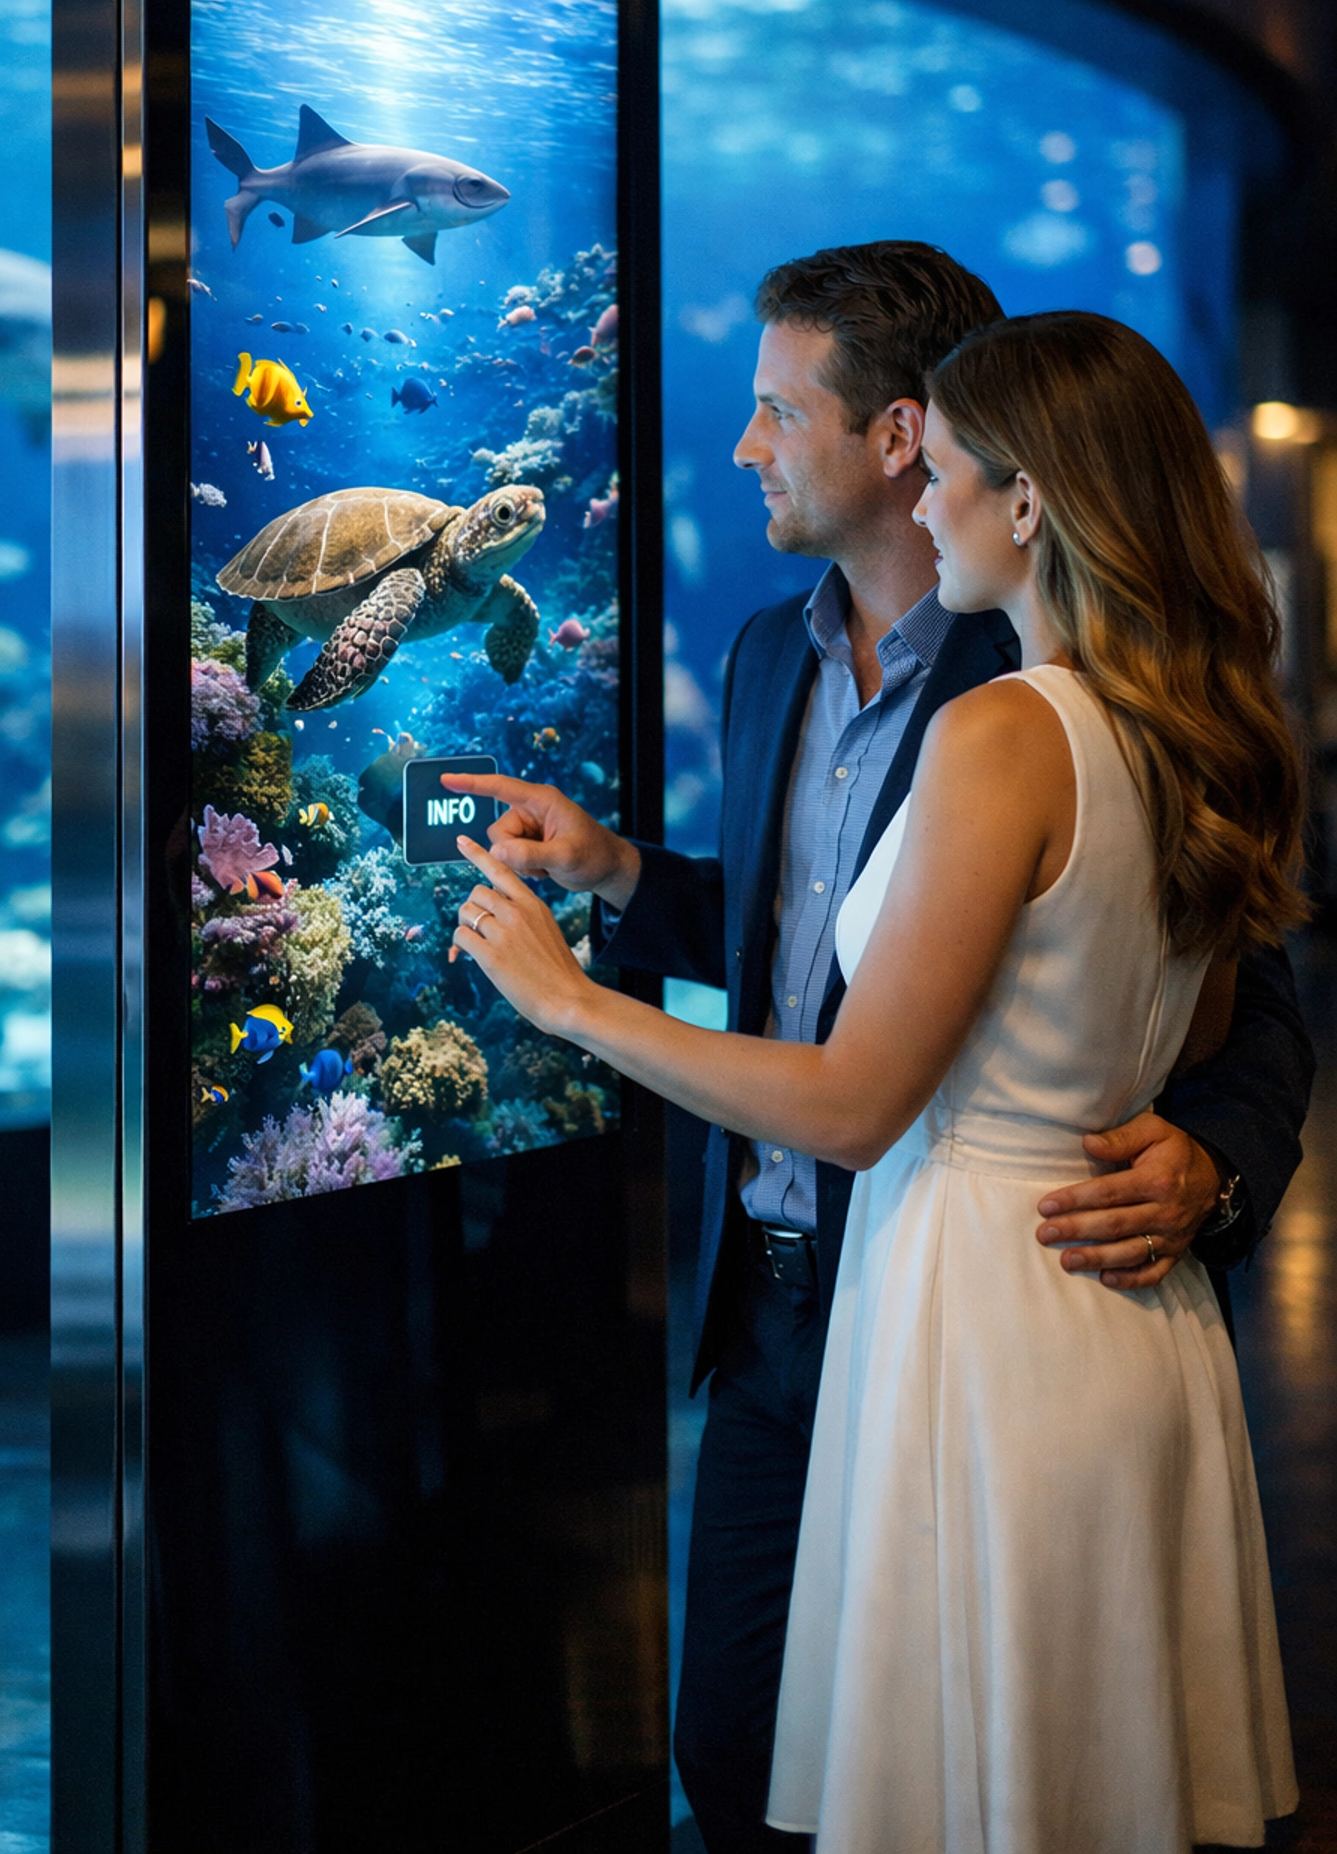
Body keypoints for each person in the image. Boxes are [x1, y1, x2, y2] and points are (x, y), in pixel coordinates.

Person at [443, 248, 1313, 1853]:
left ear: (914, 441)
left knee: (949, 1776)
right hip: (786, 1306)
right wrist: (624, 877)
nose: (747, 447)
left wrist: (1216, 1155)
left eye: (778, 410)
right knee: (769, 1748)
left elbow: (1235, 1004)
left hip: (953, 1291)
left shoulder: (1026, 688)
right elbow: (827, 939)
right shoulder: (774, 653)